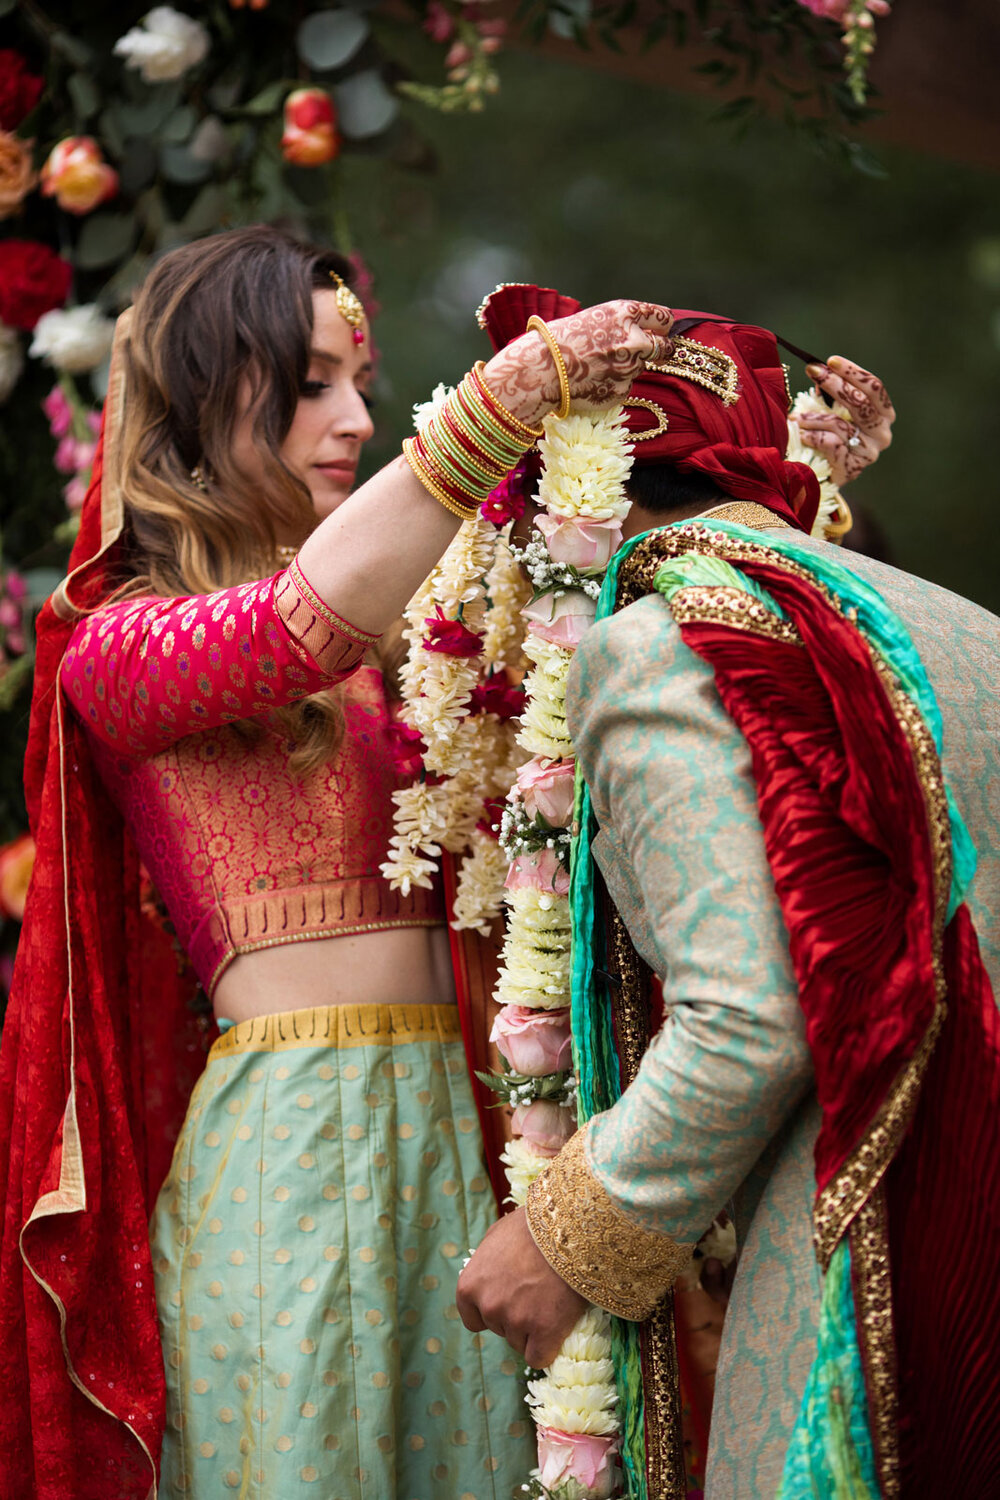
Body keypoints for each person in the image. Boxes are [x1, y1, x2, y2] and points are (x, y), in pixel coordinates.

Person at [0, 227, 676, 1500]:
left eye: (362, 381)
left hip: (477, 1141)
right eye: (311, 382)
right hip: (288, 1159)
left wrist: (781, 471)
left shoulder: (429, 618)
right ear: (205, 393)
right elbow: (295, 627)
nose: (358, 416)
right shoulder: (115, 644)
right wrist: (496, 406)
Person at [457, 302, 1000, 1497]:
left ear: (570, 502)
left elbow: (750, 1015)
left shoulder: (655, 643)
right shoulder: (964, 627)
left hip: (888, 1266)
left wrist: (565, 1237)